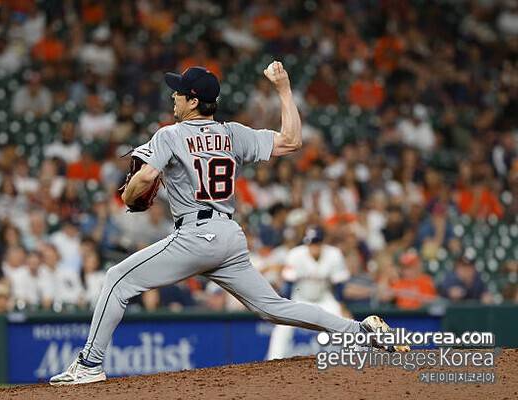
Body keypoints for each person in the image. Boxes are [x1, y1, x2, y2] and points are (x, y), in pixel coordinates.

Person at [50, 63, 408, 386]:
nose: (173, 96)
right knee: (273, 307)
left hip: (195, 235)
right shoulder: (233, 133)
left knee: (117, 279)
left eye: (179, 92)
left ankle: (89, 364)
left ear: (193, 101)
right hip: (228, 235)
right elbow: (292, 141)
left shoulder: (170, 134)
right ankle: (360, 331)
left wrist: (129, 197)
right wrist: (284, 89)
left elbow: (144, 178)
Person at [266, 227, 350, 360]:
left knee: (344, 322)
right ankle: (273, 358)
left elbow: (339, 285)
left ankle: (351, 358)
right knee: (282, 327)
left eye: (316, 242)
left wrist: (341, 306)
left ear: (323, 242)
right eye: (311, 243)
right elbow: (288, 284)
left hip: (324, 299)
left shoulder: (334, 254)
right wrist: (284, 307)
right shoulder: (295, 255)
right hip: (300, 299)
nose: (313, 246)